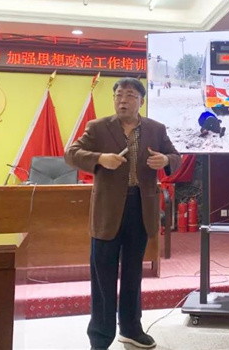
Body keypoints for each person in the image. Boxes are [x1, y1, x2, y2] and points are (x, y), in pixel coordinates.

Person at [65, 77, 181, 350]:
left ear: (141, 101)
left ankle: (131, 329)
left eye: (129, 96)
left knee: (132, 273)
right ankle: (100, 337)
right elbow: (71, 153)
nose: (122, 101)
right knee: (103, 275)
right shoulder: (98, 127)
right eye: (118, 95)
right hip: (107, 211)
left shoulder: (155, 129)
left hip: (140, 207)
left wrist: (166, 160)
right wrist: (99, 158)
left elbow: (176, 157)